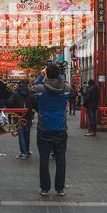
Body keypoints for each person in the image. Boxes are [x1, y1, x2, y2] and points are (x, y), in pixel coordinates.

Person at [31, 64, 71, 197]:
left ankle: (45, 188)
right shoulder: (65, 88)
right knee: (61, 160)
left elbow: (32, 88)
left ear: (46, 74)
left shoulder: (40, 89)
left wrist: (42, 76)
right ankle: (60, 188)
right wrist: (56, 75)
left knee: (44, 159)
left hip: (44, 128)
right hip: (60, 128)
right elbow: (67, 85)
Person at [7, 80, 35, 160]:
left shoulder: (15, 93)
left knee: (21, 135)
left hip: (18, 117)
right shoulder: (30, 93)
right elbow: (35, 103)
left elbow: (9, 103)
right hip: (28, 116)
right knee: (27, 134)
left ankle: (23, 153)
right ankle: (27, 151)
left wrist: (13, 110)